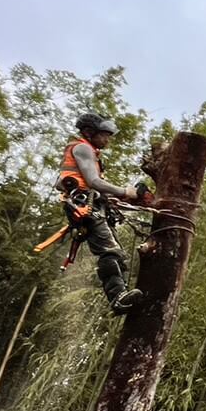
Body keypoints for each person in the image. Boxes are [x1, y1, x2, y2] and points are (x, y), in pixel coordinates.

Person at [58, 113, 150, 314]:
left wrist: (122, 199)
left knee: (116, 253)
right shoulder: (82, 148)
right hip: (84, 205)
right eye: (104, 135)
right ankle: (118, 298)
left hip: (91, 204)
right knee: (109, 251)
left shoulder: (89, 151)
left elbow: (89, 188)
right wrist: (126, 191)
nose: (107, 139)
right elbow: (94, 182)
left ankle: (123, 294)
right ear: (90, 132)